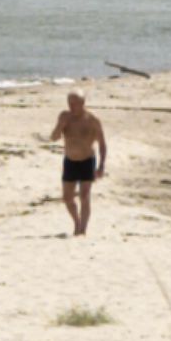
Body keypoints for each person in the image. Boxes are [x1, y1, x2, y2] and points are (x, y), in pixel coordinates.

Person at [50, 91, 106, 237]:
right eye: (69, 103)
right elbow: (54, 137)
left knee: (84, 195)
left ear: (82, 103)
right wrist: (61, 125)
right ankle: (76, 221)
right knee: (67, 198)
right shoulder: (64, 117)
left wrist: (101, 165)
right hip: (70, 161)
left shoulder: (92, 120)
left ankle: (82, 229)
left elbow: (102, 144)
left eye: (74, 103)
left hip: (87, 160)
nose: (71, 106)